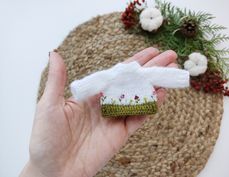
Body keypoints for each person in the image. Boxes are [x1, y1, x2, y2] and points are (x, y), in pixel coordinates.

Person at [20, 47, 178, 177]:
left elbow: (95, 80)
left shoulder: (122, 74)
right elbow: (93, 82)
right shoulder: (119, 74)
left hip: (127, 105)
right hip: (130, 105)